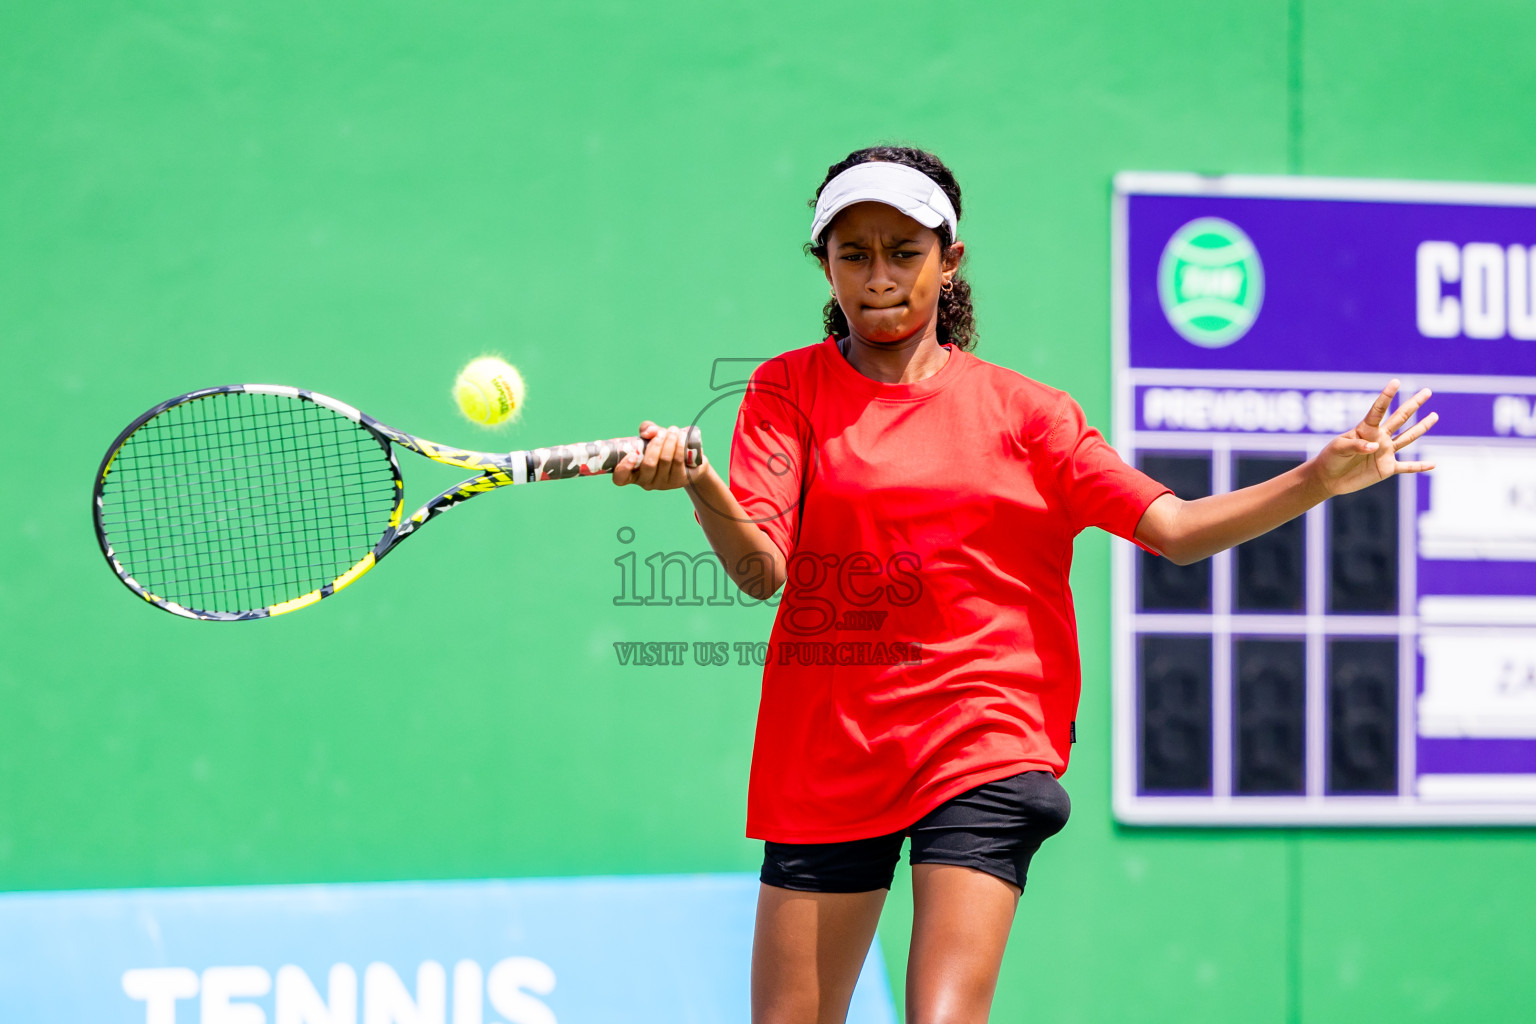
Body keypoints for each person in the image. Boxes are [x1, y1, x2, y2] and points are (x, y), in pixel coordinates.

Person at [613, 146, 1436, 1024]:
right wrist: (701, 483)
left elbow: (1177, 532)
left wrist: (1315, 478)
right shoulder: (785, 389)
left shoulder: (1030, 416)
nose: (880, 276)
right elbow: (760, 572)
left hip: (984, 736)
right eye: (854, 254)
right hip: (829, 746)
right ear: (825, 265)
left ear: (950, 258)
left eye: (905, 250)